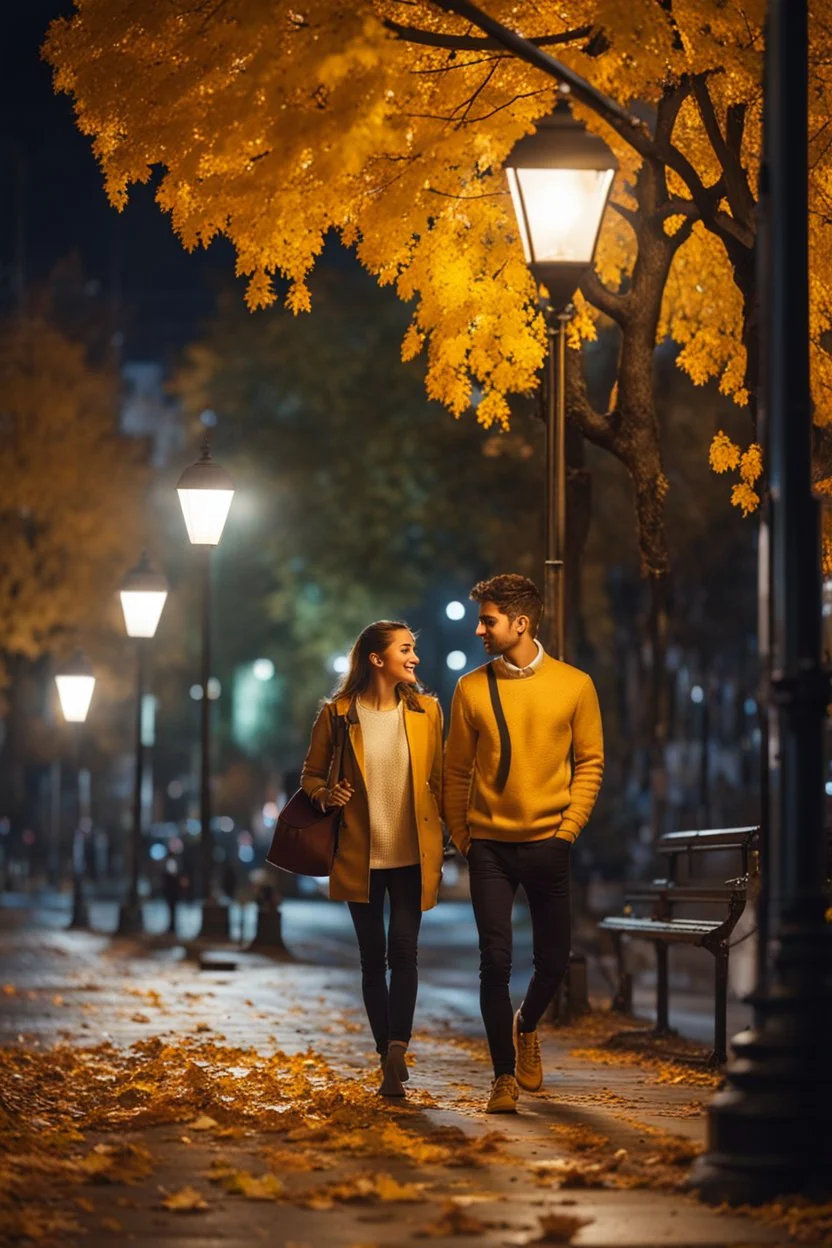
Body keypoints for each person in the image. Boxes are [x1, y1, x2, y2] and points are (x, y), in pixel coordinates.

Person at [443, 574, 603, 1114]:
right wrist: (465, 838)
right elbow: (456, 772)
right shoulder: (470, 688)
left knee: (554, 961)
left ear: (521, 623)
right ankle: (503, 1077)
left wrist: (567, 831)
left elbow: (590, 764)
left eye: (488, 619)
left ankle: (526, 1025)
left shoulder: (575, 685)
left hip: (549, 844)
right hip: (489, 846)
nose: (479, 628)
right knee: (494, 961)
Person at [300, 621, 444, 1097]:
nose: (415, 658)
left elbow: (440, 780)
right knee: (371, 959)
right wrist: (326, 794)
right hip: (359, 854)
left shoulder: (428, 712)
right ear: (376, 659)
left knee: (405, 952)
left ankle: (397, 1047)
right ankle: (387, 1056)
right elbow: (311, 775)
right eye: (406, 649)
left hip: (410, 857)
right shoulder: (338, 714)